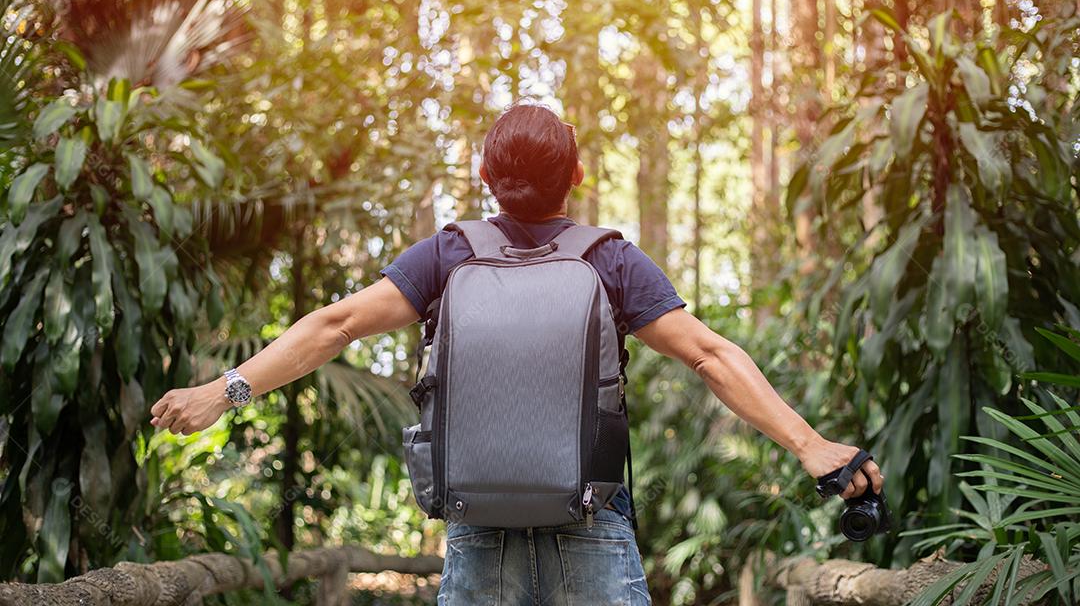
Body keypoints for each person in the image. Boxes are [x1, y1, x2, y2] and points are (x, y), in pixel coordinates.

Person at [150, 102, 884, 605]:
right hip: (590, 522)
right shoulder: (611, 261)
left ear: (484, 179)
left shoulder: (447, 256)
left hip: (478, 524)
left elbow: (335, 325)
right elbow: (711, 357)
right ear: (578, 176)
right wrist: (812, 446)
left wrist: (226, 391)